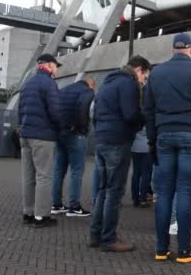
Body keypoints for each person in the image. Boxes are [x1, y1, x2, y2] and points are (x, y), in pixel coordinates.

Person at [144, 33, 191, 264]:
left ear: (173, 49)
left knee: (164, 192)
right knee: (185, 191)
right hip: (190, 136)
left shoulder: (156, 73)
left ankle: (161, 248)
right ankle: (184, 250)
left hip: (164, 136)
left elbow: (148, 110)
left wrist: (152, 141)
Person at [90, 55, 145, 252]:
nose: (143, 81)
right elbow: (130, 114)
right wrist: (142, 120)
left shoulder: (107, 83)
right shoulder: (127, 84)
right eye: (144, 77)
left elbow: (94, 113)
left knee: (103, 190)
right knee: (114, 192)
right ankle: (109, 238)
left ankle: (95, 235)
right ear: (138, 69)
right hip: (118, 140)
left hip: (102, 139)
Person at [18, 53, 62, 228]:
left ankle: (28, 212)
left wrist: (21, 128)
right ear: (49, 65)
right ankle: (41, 216)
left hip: (25, 134)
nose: (57, 69)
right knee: (44, 176)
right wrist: (60, 128)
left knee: (28, 176)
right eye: (56, 65)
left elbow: (20, 110)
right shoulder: (49, 83)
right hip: (42, 136)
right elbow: (55, 112)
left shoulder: (27, 84)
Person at [50, 76, 95, 217]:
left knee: (59, 169)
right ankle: (74, 207)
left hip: (60, 133)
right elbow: (83, 107)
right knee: (77, 170)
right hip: (75, 134)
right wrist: (81, 127)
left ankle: (56, 205)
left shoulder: (63, 90)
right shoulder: (87, 91)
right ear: (91, 84)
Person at [130, 59, 153, 207]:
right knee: (146, 172)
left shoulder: (135, 111)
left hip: (134, 144)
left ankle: (135, 198)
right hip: (146, 144)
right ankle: (143, 197)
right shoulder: (147, 112)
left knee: (136, 172)